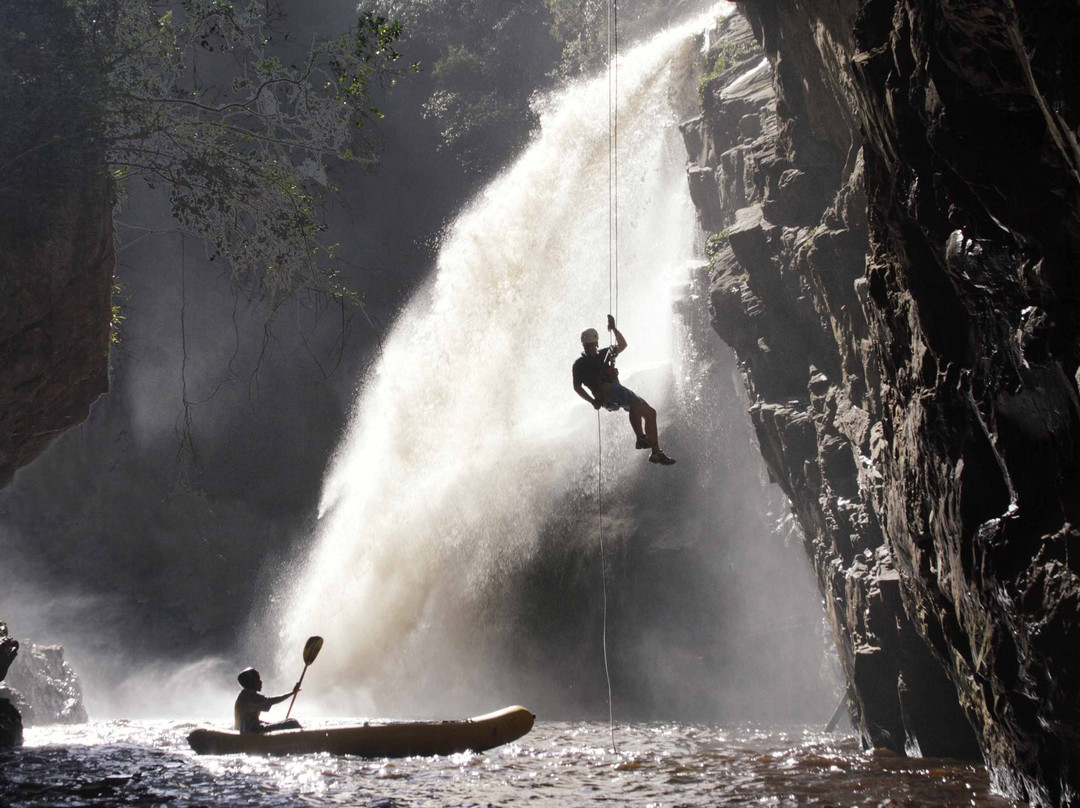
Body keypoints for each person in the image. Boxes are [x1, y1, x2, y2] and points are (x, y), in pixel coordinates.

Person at [573, 315, 675, 465]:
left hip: (616, 389)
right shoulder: (580, 364)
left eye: (591, 345)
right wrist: (592, 401)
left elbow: (622, 344)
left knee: (650, 413)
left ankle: (656, 453)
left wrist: (613, 328)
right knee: (634, 402)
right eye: (585, 346)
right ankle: (640, 438)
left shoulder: (604, 354)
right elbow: (577, 387)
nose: (588, 348)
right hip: (604, 393)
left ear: (596, 343)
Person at [234, 667, 303, 734]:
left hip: (245, 730)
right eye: (258, 680)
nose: (261, 682)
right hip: (253, 732)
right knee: (292, 722)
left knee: (272, 723)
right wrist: (293, 692)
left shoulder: (242, 695)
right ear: (251, 683)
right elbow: (272, 701)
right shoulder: (252, 698)